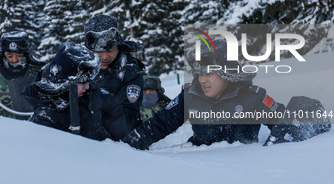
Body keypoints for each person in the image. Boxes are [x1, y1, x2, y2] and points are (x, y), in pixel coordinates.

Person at [123, 39, 331, 150]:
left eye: (209, 73)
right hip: (195, 173)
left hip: (242, 175)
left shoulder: (253, 97)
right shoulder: (189, 96)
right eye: (199, 73)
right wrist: (125, 146)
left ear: (226, 72)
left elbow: (285, 123)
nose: (202, 79)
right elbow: (156, 127)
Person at [26, 42, 131, 141]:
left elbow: (122, 140)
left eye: (89, 81)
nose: (87, 87)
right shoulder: (45, 117)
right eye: (83, 83)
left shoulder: (92, 94)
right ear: (65, 81)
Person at [84, 14, 145, 132]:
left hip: (122, 142)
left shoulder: (130, 72)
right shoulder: (80, 64)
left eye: (109, 50)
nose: (104, 57)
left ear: (118, 46)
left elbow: (126, 120)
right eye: (98, 52)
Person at [0, 31, 45, 118]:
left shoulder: (38, 75)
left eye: (19, 55)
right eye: (9, 56)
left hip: (32, 127)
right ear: (3, 55)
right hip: (1, 129)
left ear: (25, 54)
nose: (14, 60)